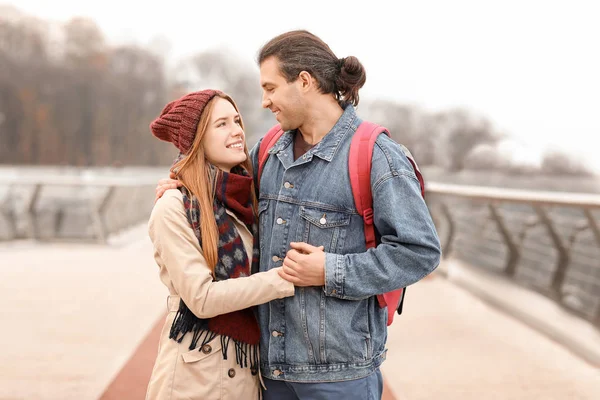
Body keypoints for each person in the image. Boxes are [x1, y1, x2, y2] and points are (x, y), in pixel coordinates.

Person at [156, 30, 442, 400]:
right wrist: (182, 185)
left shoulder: (377, 156)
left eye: (271, 88)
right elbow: (228, 187)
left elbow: (420, 251)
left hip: (339, 377)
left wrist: (330, 270)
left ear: (304, 81)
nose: (264, 102)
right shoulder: (268, 151)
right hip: (269, 371)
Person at [146, 89, 295, 400]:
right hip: (196, 380)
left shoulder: (249, 200)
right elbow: (201, 298)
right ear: (196, 139)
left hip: (246, 371)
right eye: (222, 124)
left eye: (237, 120)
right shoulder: (173, 207)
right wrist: (284, 278)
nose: (237, 130)